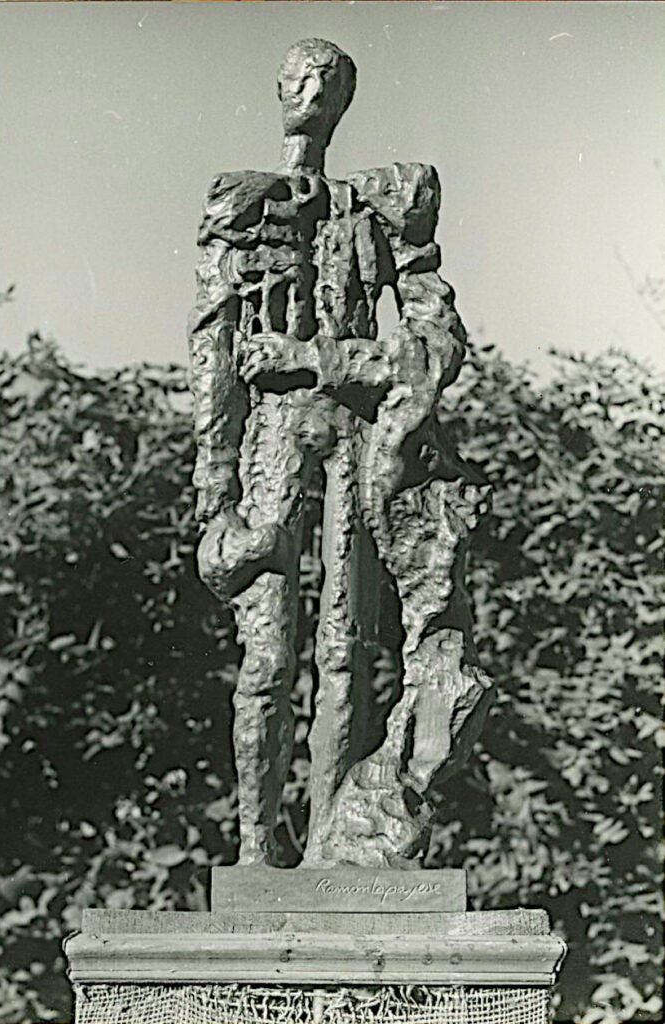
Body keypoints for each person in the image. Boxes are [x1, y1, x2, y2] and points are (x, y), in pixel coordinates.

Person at [188, 39, 489, 866]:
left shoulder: (380, 212)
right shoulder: (244, 209)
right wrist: (212, 491)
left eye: (326, 81)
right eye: (295, 77)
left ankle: (327, 846)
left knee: (344, 652)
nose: (308, 91)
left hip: (358, 445)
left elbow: (435, 341)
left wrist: (319, 361)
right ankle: (256, 849)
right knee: (268, 655)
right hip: (271, 448)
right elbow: (212, 353)